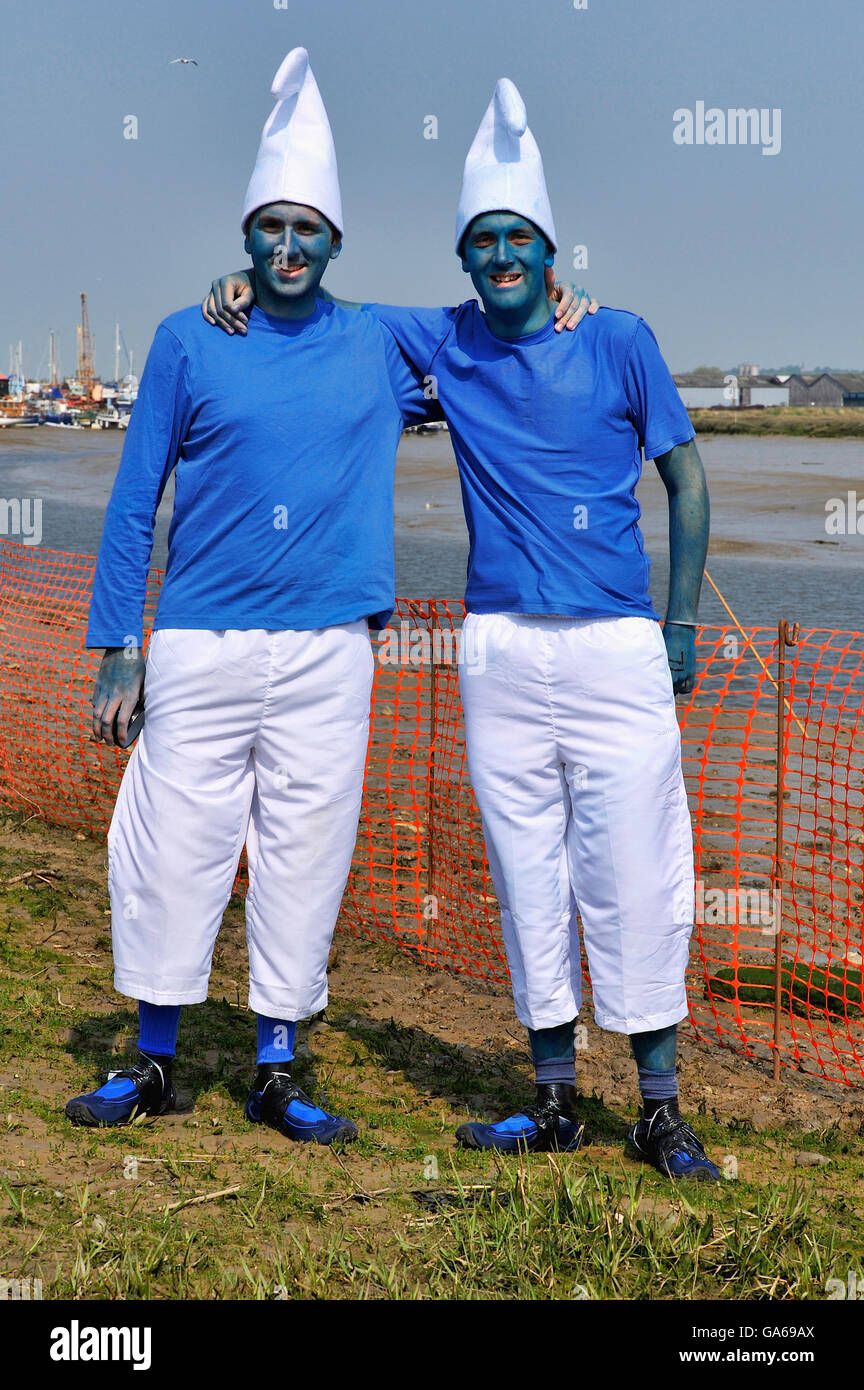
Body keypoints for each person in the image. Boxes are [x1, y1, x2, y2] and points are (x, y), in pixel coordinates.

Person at [203, 76, 717, 1180]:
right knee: (524, 869)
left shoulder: (619, 337)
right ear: (467, 256)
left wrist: (679, 623)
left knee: (636, 867)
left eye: (516, 238)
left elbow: (688, 478)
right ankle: (552, 1097)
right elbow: (322, 309)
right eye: (482, 239)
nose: (499, 257)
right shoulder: (448, 342)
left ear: (545, 246)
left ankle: (662, 1107)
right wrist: (241, 281)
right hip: (498, 650)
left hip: (616, 646)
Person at [66, 49, 440, 1145]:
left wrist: (564, 298)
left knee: (305, 849)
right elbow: (136, 500)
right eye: (269, 228)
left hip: (330, 651)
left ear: (335, 241)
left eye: (306, 229)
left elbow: (488, 337)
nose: (286, 248)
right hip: (200, 640)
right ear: (247, 237)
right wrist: (114, 646)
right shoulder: (192, 339)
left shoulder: (378, 343)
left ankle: (277, 1066)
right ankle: (151, 1060)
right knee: (174, 844)